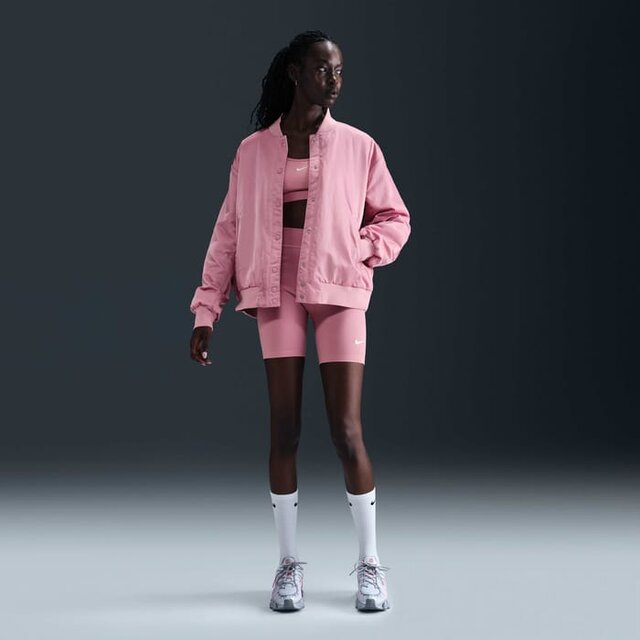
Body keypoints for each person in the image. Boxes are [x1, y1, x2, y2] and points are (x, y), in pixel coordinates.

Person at [189, 30, 410, 612]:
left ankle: (370, 564)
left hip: (337, 288)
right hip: (274, 288)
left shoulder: (360, 146)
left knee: (346, 429)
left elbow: (395, 218)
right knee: (283, 428)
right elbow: (228, 231)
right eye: (322, 69)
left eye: (339, 71)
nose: (333, 81)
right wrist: (207, 309)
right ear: (295, 72)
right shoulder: (252, 151)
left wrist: (357, 249)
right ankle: (288, 566)